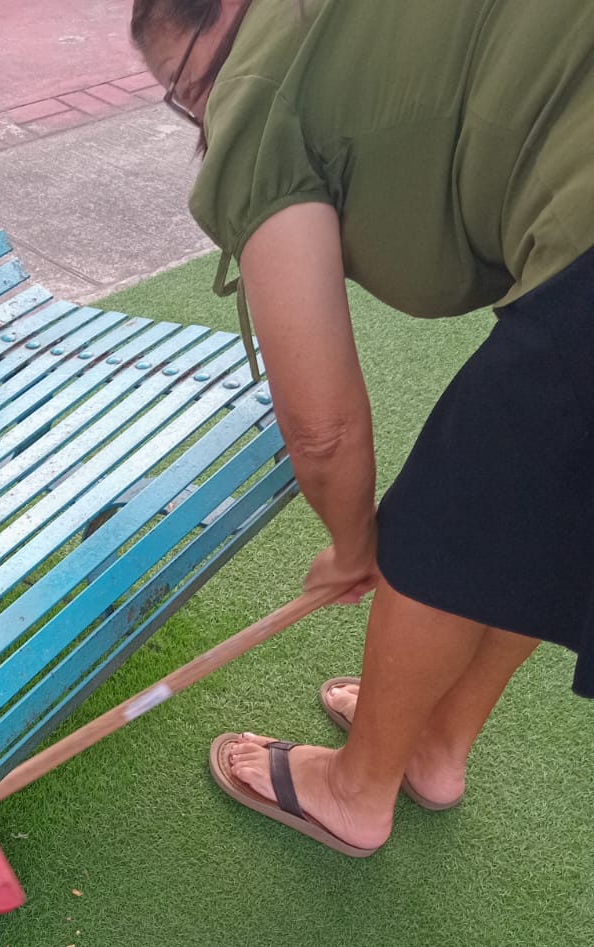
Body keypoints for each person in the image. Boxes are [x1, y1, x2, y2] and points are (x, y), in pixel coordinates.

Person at [131, 0, 594, 857]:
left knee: (448, 520)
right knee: (546, 502)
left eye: (182, 87)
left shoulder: (256, 85)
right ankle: (435, 746)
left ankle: (355, 790)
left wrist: (354, 543)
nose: (198, 113)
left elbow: (324, 427)